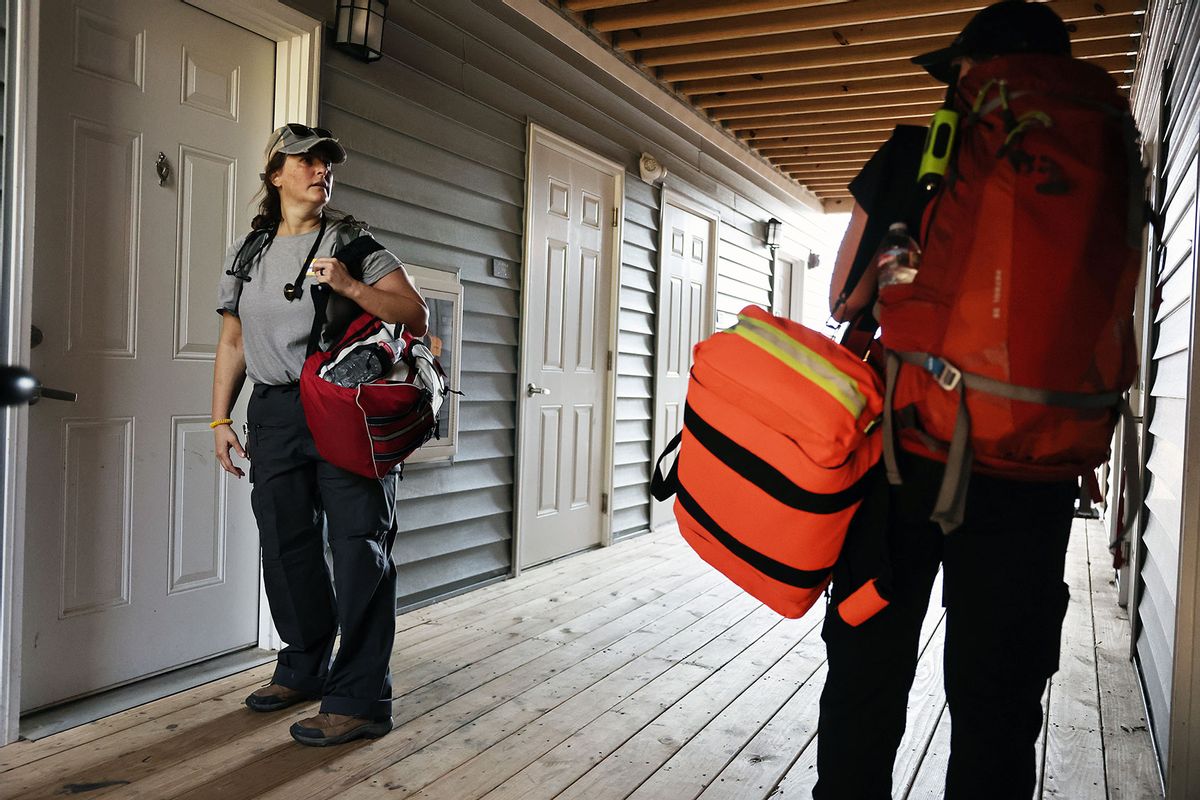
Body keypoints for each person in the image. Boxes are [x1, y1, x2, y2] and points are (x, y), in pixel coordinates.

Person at [815, 3, 1096, 797]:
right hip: (1035, 467)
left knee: (870, 676)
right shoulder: (1097, 158)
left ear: (972, 74)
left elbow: (844, 298)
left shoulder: (916, 151)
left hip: (910, 459)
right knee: (999, 703)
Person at [211, 123, 429, 747]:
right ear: (275, 175)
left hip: (340, 406)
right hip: (275, 410)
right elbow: (232, 341)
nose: (318, 170)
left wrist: (351, 287)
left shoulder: (354, 244)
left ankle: (360, 699)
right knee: (286, 541)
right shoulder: (250, 251)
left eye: (326, 162)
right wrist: (221, 419)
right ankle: (303, 666)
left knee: (359, 545)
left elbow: (413, 313)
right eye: (304, 161)